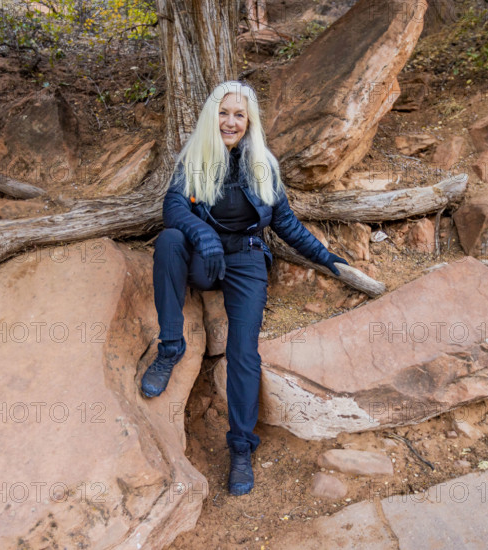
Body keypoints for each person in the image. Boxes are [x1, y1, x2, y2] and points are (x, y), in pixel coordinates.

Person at [141, 80, 348, 496]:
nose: (230, 121)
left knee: (243, 352)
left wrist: (328, 259)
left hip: (246, 261)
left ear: (249, 120)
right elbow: (173, 207)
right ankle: (170, 348)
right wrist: (203, 236)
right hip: (205, 259)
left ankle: (240, 447)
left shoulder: (264, 164)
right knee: (169, 240)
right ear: (211, 117)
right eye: (223, 112)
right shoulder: (195, 157)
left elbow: (286, 224)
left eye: (239, 114)